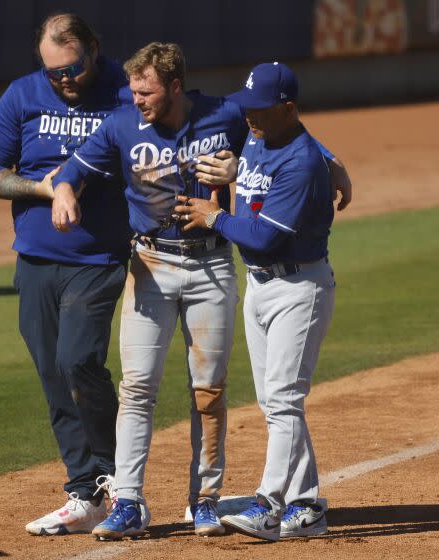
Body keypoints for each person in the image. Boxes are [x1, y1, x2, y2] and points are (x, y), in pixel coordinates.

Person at [52, 43, 350, 541]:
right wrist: (63, 191)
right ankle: (128, 500)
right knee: (137, 388)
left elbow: (285, 131)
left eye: (146, 90)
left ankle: (205, 500)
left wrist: (330, 160)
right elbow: (74, 172)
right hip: (149, 263)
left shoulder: (225, 114)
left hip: (212, 264)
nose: (136, 98)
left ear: (173, 86)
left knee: (209, 393)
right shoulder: (122, 124)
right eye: (132, 89)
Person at [0, 12, 134, 536]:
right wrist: (42, 189)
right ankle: (83, 488)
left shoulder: (124, 91)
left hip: (100, 256)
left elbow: (187, 126)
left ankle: (118, 482)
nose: (64, 79)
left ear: (94, 48)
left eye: (73, 68)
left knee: (78, 359)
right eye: (53, 73)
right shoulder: (22, 96)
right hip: (37, 259)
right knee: (51, 370)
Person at [174, 62, 345, 541]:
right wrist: (339, 163)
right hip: (261, 288)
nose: (247, 115)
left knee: (286, 400)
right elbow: (278, 152)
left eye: (258, 109)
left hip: (298, 289)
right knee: (275, 401)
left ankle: (269, 505)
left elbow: (264, 237)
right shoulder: (259, 134)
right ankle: (307, 507)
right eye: (245, 106)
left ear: (287, 108)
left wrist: (214, 217)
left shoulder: (301, 163)